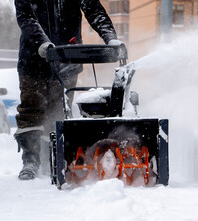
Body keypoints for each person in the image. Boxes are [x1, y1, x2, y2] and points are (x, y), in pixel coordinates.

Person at [14, 0, 124, 180]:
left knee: (58, 112)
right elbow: (26, 18)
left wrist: (110, 38)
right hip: (33, 60)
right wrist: (42, 42)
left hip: (68, 59)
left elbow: (94, 11)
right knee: (31, 110)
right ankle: (30, 160)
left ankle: (52, 158)